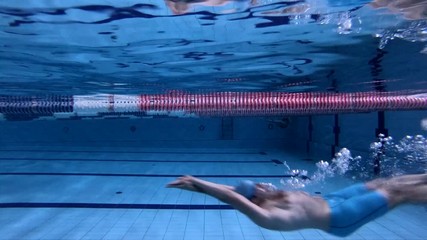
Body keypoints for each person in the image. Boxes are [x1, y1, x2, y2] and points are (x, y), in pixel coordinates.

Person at [166, 173, 427, 237]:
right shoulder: (265, 214)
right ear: (254, 198)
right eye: (257, 188)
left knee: (384, 182)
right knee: (399, 193)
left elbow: (233, 191)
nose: (262, 186)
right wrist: (195, 180)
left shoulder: (265, 196)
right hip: (339, 217)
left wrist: (196, 185)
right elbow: (233, 197)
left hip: (335, 200)